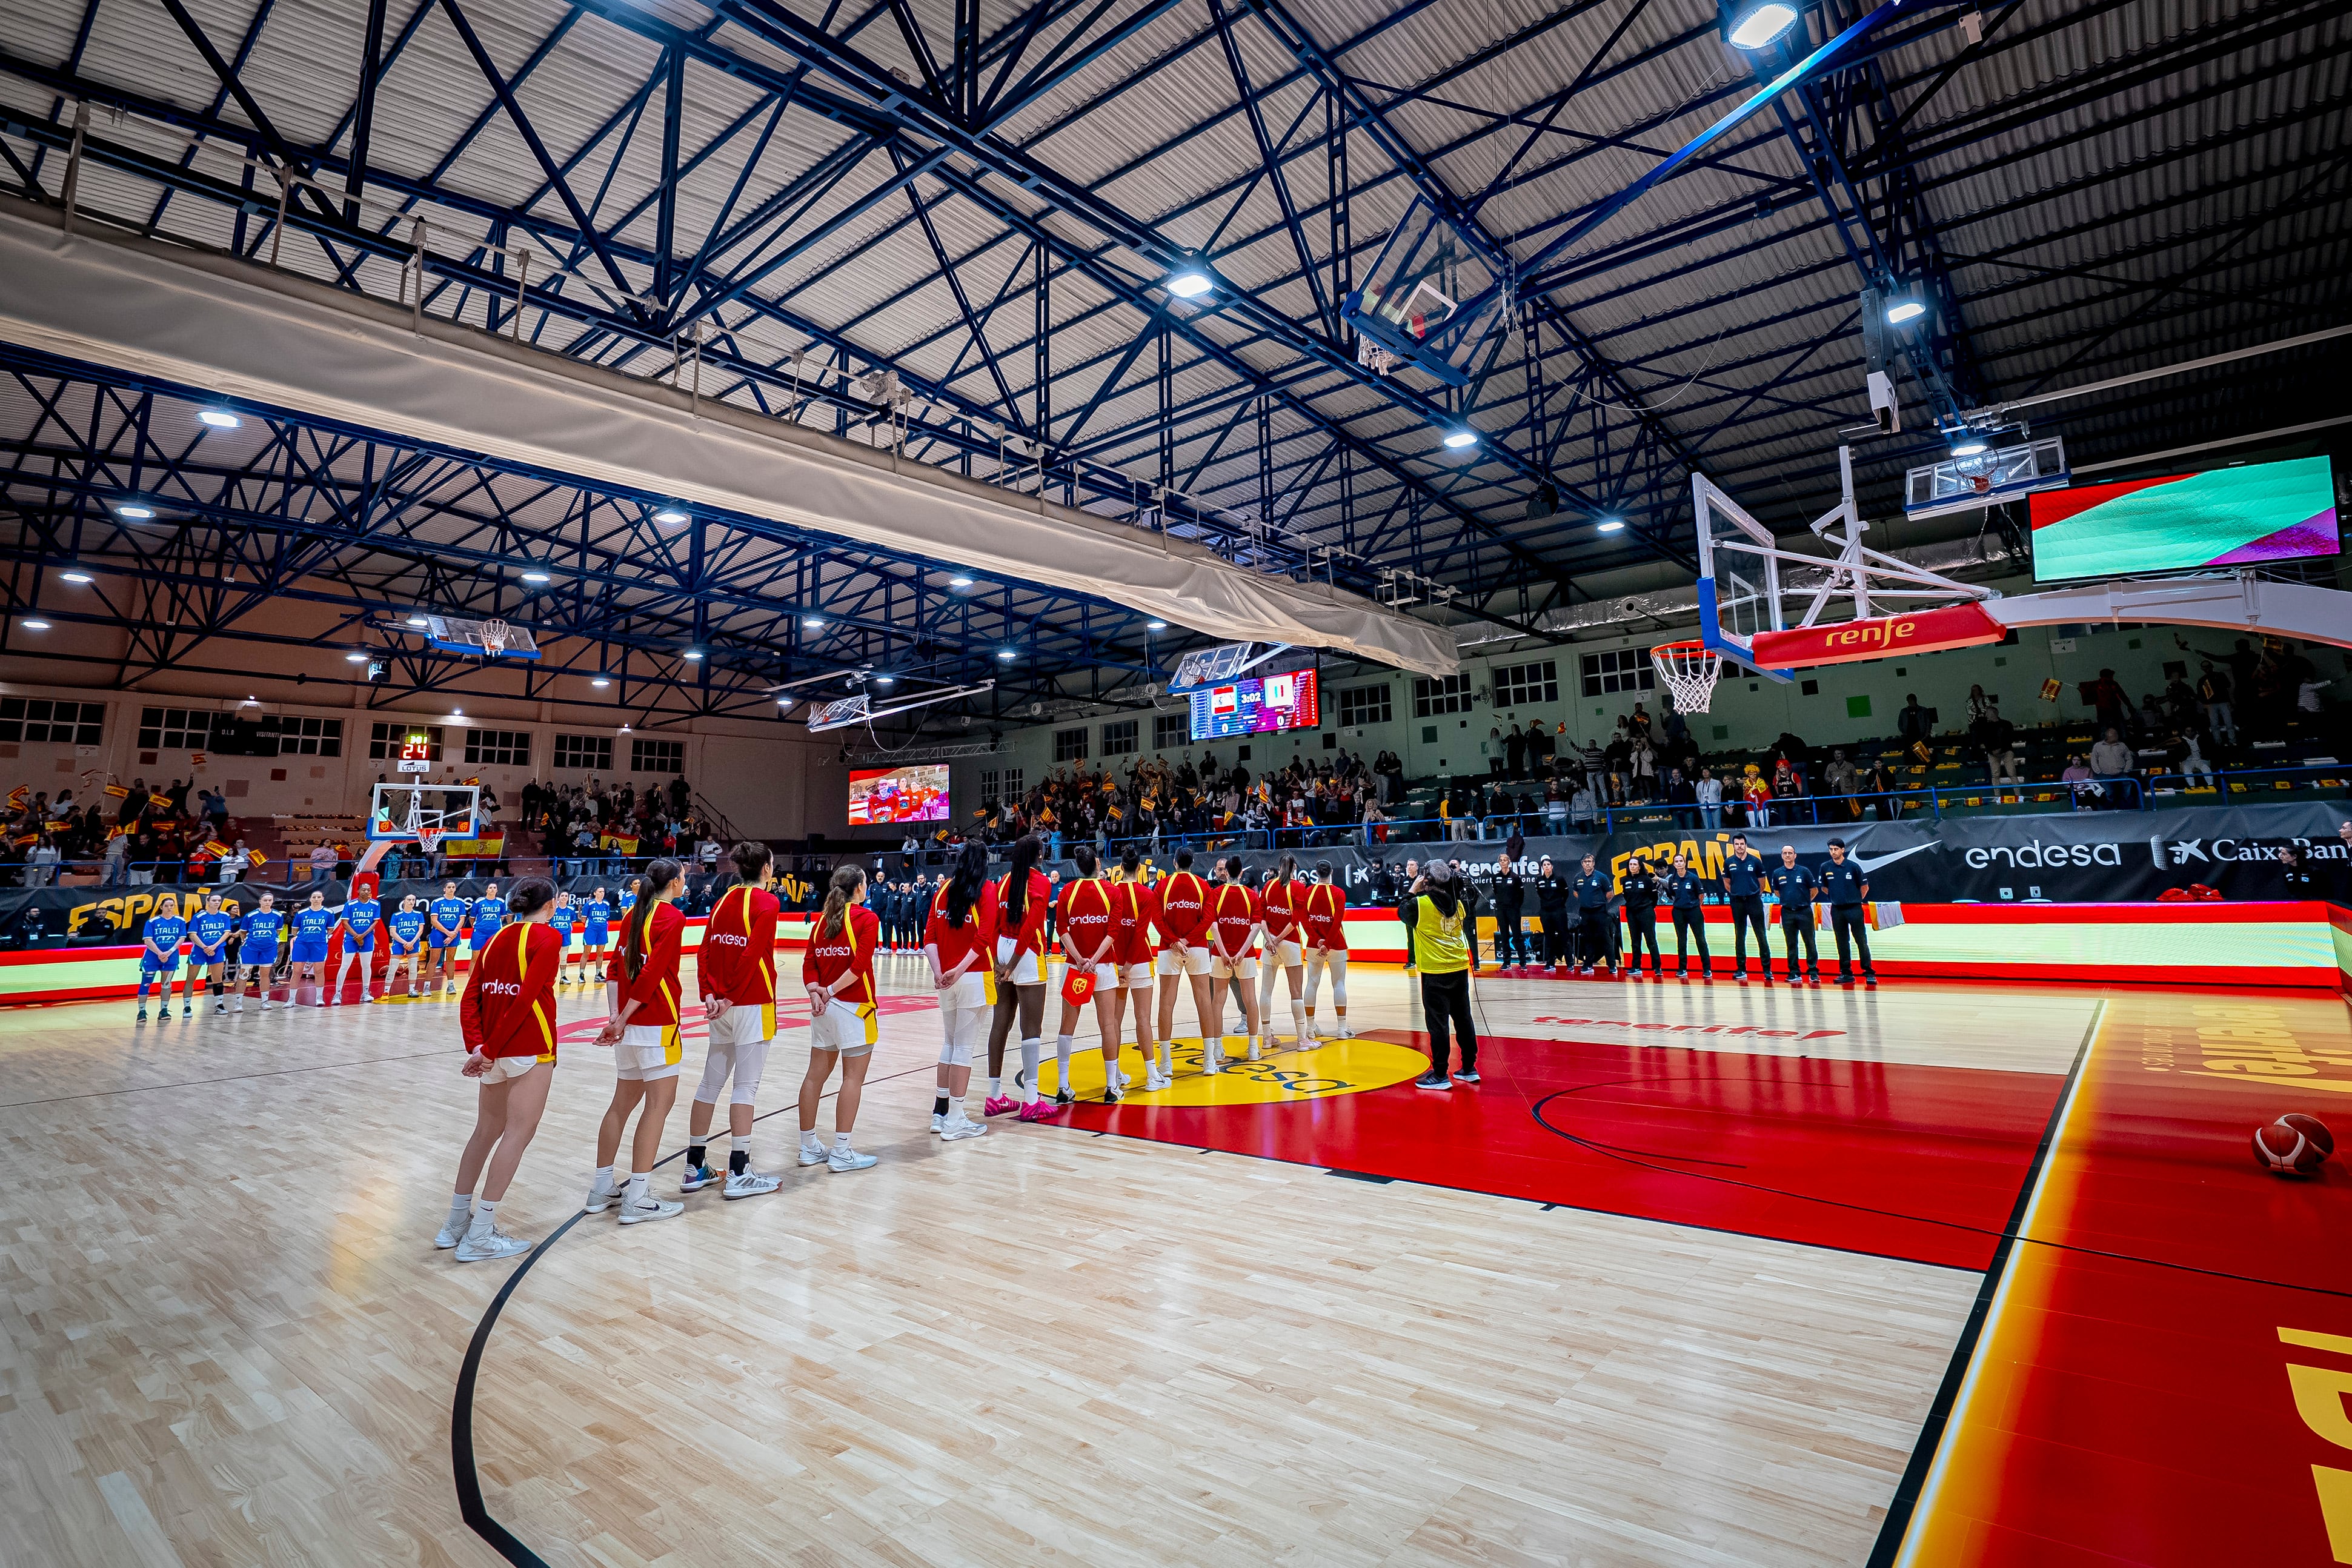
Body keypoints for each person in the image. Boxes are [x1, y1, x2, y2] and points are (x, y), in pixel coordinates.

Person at [436, 877, 565, 1263]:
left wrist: (478, 1046)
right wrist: (488, 1049)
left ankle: (456, 1223)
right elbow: (526, 1001)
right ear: (551, 905)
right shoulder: (550, 939)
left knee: (485, 1132)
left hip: (491, 1049)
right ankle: (480, 1232)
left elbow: (470, 994)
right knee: (517, 1134)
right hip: (528, 1046)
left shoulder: (495, 937)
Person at [586, 858, 691, 1223]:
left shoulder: (634, 914)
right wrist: (625, 1018)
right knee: (658, 1106)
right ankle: (639, 1196)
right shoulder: (672, 918)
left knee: (621, 1104)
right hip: (656, 1022)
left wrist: (616, 1018)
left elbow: (615, 969)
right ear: (675, 882)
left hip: (628, 1026)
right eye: (684, 878)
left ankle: (602, 1187)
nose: (685, 883)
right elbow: (651, 975)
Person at [682, 842, 787, 1200]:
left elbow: (705, 950)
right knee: (746, 1087)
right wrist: (729, 996)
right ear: (767, 869)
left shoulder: (723, 901)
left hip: (720, 1007)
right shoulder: (768, 903)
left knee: (710, 1084)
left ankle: (695, 1165)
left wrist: (709, 994)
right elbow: (753, 954)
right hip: (751, 1002)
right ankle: (740, 1170)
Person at [796, 865, 883, 1169]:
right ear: (859, 888)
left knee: (814, 1076)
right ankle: (842, 1151)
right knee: (852, 1079)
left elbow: (809, 964)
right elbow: (860, 966)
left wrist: (815, 994)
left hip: (823, 1010)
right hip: (853, 1007)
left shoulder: (821, 921)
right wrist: (830, 991)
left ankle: (808, 1147)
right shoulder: (867, 918)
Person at [1040, 844, 1125, 1111]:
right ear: (1098, 865)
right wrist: (1094, 959)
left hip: (1075, 967)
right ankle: (1112, 1088)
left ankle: (1063, 1087)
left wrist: (1079, 959)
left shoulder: (1067, 891)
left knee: (1067, 1026)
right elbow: (1113, 933)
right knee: (1108, 1026)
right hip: (1103, 966)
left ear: (1079, 867)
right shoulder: (1112, 891)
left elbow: (1062, 930)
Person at [926, 843, 998, 1135]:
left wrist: (940, 971)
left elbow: (929, 935)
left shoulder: (943, 890)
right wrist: (960, 969)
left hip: (946, 979)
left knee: (950, 1043)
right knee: (964, 1049)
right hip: (973, 976)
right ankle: (955, 1119)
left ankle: (939, 1113)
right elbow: (984, 937)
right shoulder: (987, 889)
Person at [983, 835, 1054, 1120]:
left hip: (1001, 947)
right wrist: (1013, 965)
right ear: (1039, 855)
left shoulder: (1002, 883)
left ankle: (994, 1095)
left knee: (1000, 1022)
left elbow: (992, 925)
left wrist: (998, 962)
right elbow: (1032, 927)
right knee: (1031, 1028)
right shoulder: (1041, 883)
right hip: (1025, 954)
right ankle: (1031, 1100)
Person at [1401, 860, 1478, 1091]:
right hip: (1459, 968)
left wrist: (1413, 889)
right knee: (1464, 1019)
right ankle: (1469, 1068)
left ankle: (1441, 1073)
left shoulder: (1420, 904)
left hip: (1435, 972)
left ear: (1427, 881)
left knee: (1438, 1024)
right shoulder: (1459, 905)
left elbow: (1402, 911)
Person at [1153, 848, 1214, 1075]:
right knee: (1204, 1002)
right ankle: (1209, 1062)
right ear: (1193, 862)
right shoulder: (1203, 885)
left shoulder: (1163, 885)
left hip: (1169, 949)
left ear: (1175, 862)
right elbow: (1208, 919)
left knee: (1166, 1004)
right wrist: (1188, 940)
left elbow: (1157, 919)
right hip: (1196, 948)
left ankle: (1166, 1063)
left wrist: (1174, 941)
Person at [1203, 855, 1264, 1071]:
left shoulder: (1216, 894)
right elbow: (1255, 927)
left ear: (1226, 873)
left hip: (1220, 954)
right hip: (1245, 955)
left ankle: (1218, 1048)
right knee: (1250, 1000)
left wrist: (1225, 951)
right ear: (1241, 873)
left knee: (1217, 1002)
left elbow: (1213, 926)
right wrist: (1241, 952)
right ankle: (1254, 1047)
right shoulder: (1251, 896)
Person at [1256, 853, 1309, 1049]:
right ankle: (1302, 1039)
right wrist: (1279, 939)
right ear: (1295, 868)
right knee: (1296, 992)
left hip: (1269, 944)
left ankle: (1267, 1037)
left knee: (1265, 991)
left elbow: (1260, 916)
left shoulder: (1268, 886)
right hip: (1290, 944)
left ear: (1279, 867)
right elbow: (1296, 919)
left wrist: (1270, 940)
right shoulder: (1298, 887)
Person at [1301, 862, 1349, 1039]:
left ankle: (1310, 1028)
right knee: (1339, 984)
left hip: (1314, 946)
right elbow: (1337, 922)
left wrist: (1317, 940)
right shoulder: (1339, 893)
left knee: (1312, 984)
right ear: (1332, 872)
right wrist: (1328, 944)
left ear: (1315, 873)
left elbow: (1304, 920)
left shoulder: (1308, 892)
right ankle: (1342, 1029)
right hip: (1336, 944)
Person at [1819, 839, 1877, 987]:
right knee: (1842, 942)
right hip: (1837, 909)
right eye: (1831, 849)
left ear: (1843, 850)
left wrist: (1854, 899)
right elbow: (1825, 888)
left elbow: (1865, 887)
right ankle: (1846, 973)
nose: (1833, 852)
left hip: (1854, 908)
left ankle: (1869, 972)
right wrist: (1837, 897)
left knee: (1861, 940)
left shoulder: (1853, 867)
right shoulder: (1825, 867)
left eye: (1836, 849)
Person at [1721, 834, 1772, 985]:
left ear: (1746, 845)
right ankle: (1741, 969)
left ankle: (1767, 970)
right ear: (1734, 846)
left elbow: (1762, 884)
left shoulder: (1755, 861)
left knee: (1761, 935)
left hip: (1753, 901)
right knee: (1740, 935)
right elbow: (1727, 883)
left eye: (1742, 844)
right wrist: (1738, 893)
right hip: (1737, 902)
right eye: (1737, 844)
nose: (1740, 847)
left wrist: (1752, 894)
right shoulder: (1729, 862)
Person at [135, 900, 190, 1023]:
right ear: (161, 907)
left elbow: (181, 938)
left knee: (167, 984)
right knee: (146, 983)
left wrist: (169, 952)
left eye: (172, 906)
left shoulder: (180, 921)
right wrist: (160, 953)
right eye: (167, 906)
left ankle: (164, 1010)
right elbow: (148, 940)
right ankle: (142, 1011)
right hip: (152, 957)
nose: (169, 908)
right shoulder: (152, 922)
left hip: (171, 957)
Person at [330, 882, 381, 1005]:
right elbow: (345, 923)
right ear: (358, 891)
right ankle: (337, 994)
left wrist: (363, 936)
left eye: (368, 890)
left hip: (368, 938)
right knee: (345, 966)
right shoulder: (350, 904)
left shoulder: (375, 904)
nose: (366, 892)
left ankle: (365, 992)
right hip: (350, 939)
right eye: (363, 890)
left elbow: (375, 922)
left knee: (366, 965)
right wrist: (356, 936)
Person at [1667, 852, 1712, 980]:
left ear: (1685, 863)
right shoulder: (1672, 879)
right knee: (1681, 940)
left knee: (1700, 940)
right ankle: (1682, 969)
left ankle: (1707, 969)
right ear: (1674, 864)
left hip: (1694, 911)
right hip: (1678, 912)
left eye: (1681, 861)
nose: (1679, 863)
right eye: (1677, 861)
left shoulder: (1693, 878)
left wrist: (1696, 906)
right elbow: (1671, 895)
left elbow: (1701, 894)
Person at [189, 892, 237, 1014]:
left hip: (218, 949)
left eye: (219, 901)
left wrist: (214, 946)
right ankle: (187, 1007)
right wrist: (205, 947)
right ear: (208, 901)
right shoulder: (199, 917)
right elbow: (192, 934)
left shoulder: (225, 916)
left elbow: (226, 933)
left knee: (218, 979)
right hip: (200, 950)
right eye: (214, 900)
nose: (217, 903)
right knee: (191, 979)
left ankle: (219, 1005)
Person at [236, 891, 283, 1011]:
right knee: (244, 974)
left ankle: (265, 1002)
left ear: (273, 902)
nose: (267, 902)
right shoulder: (251, 916)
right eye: (265, 900)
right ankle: (238, 1003)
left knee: (265, 975)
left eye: (270, 900)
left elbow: (278, 930)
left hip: (268, 948)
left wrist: (271, 939)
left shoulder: (278, 915)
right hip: (251, 947)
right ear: (260, 901)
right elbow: (243, 932)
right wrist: (247, 940)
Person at [288, 889, 335, 1004]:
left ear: (323, 899)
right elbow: (294, 931)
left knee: (319, 971)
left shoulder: (328, 913)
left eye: (319, 897)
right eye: (314, 897)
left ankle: (319, 998)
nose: (316, 899)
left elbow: (330, 929)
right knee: (297, 971)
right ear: (310, 899)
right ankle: (291, 999)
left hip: (319, 945)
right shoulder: (301, 914)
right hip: (302, 944)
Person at [1572, 852, 1615, 977]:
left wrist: (1599, 903)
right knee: (1588, 939)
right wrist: (1585, 901)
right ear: (1582, 864)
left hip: (1600, 912)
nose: (1587, 864)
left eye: (1590, 861)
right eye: (1585, 862)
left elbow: (1610, 894)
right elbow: (1575, 892)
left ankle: (1612, 966)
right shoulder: (1578, 877)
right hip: (1585, 912)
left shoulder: (1601, 877)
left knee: (1605, 938)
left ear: (1594, 863)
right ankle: (1589, 965)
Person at [1619, 855, 1661, 979]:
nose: (1632, 867)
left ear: (1639, 866)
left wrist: (1648, 907)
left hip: (1646, 912)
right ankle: (1636, 967)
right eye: (1631, 865)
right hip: (1632, 913)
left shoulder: (1646, 880)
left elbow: (1654, 897)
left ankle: (1657, 967)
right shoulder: (1625, 880)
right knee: (1635, 941)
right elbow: (1626, 897)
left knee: (1651, 940)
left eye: (1635, 865)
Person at [427, 882, 468, 996]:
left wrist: (453, 933)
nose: (451, 889)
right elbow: (434, 920)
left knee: (450, 959)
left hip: (454, 933)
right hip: (439, 933)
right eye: (449, 887)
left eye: (453, 887)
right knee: (434, 960)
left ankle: (450, 985)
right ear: (444, 889)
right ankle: (427, 986)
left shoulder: (460, 903)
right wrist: (448, 933)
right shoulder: (437, 902)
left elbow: (462, 919)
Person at [465, 881, 507, 989]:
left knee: (495, 957)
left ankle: (495, 981)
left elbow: (502, 917)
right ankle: (471, 982)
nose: (492, 889)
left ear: (497, 890)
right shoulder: (479, 902)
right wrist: (478, 926)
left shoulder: (501, 902)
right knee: (475, 957)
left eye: (494, 888)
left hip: (495, 931)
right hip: (480, 932)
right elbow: (472, 918)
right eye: (490, 888)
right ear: (487, 890)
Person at [1533, 855, 1570, 971]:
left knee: (1564, 936)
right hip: (1546, 913)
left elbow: (1566, 894)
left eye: (1549, 865)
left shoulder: (1559, 879)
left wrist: (1558, 904)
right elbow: (1540, 894)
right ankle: (1550, 963)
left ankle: (1570, 964)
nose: (1547, 867)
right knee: (1549, 938)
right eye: (1545, 865)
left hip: (1559, 912)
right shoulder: (1539, 880)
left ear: (1552, 866)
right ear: (1542, 868)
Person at [387, 894, 428, 997]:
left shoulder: (419, 915)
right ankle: (386, 991)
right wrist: (404, 943)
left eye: (413, 900)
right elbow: (392, 932)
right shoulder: (396, 916)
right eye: (409, 900)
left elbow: (420, 930)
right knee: (393, 967)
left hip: (414, 944)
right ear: (404, 901)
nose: (411, 902)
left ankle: (411, 990)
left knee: (413, 967)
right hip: (398, 944)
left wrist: (412, 943)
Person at [1490, 856, 1527, 971]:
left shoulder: (1515, 877)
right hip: (1501, 910)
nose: (1503, 862)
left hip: (1513, 910)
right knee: (1504, 937)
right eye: (1501, 861)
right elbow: (1496, 892)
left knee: (1517, 936)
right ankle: (1507, 963)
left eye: (1505, 860)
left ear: (1509, 862)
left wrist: (1515, 907)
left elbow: (1521, 895)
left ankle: (1523, 962)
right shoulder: (1495, 878)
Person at [580, 885, 613, 984]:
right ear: (595, 893)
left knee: (600, 953)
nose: (602, 893)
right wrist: (590, 926)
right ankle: (581, 975)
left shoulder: (606, 904)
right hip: (591, 930)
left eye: (603, 892)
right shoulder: (589, 904)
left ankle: (598, 974)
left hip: (602, 930)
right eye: (600, 892)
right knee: (587, 953)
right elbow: (583, 919)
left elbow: (606, 917)